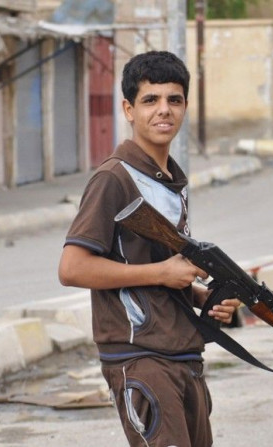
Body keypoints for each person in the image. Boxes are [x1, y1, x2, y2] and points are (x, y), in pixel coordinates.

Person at [58, 50, 240, 447]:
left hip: (181, 353)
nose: (164, 111)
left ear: (186, 106)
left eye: (174, 100)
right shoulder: (114, 179)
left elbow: (149, 266)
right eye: (150, 100)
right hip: (140, 357)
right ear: (128, 109)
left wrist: (200, 296)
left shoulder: (172, 179)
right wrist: (162, 273)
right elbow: (72, 268)